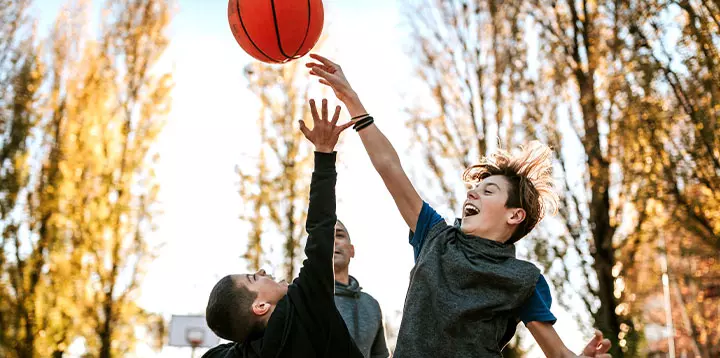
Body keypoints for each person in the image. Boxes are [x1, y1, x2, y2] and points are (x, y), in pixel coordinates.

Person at [306, 53, 612, 358]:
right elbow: (390, 167)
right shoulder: (435, 236)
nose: (471, 195)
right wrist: (351, 99)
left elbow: (558, 352)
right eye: (473, 190)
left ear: (514, 214)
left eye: (487, 191)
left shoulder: (523, 279)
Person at [202, 100, 362, 358]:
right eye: (253, 278)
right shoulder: (305, 305)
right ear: (261, 306)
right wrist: (323, 152)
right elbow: (321, 228)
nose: (261, 270)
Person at [333, 220, 390, 358]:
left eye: (339, 235)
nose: (332, 241)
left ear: (352, 250)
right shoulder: (303, 298)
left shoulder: (371, 304)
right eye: (326, 236)